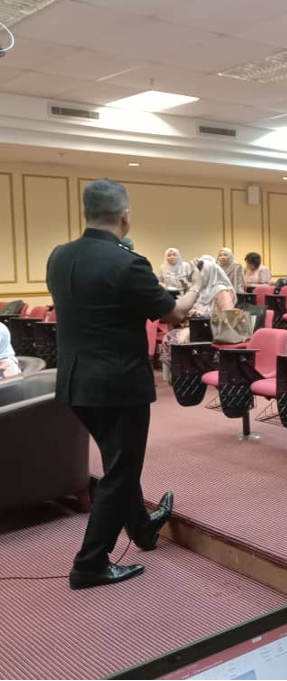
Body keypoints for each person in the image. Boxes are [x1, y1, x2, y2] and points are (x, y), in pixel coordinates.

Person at [46, 179, 204, 590]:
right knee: (122, 469)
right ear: (125, 216)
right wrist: (198, 287)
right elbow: (174, 314)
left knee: (119, 460)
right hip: (118, 385)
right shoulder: (127, 263)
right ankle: (90, 563)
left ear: (86, 213)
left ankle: (142, 527)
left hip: (75, 382)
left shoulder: (59, 256)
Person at [160, 256, 236, 366]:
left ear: (207, 273)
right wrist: (192, 312)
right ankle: (180, 371)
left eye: (199, 273)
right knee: (171, 336)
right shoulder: (202, 290)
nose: (196, 277)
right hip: (199, 328)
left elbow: (229, 318)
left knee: (180, 338)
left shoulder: (222, 291)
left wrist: (204, 315)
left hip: (215, 331)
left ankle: (187, 370)